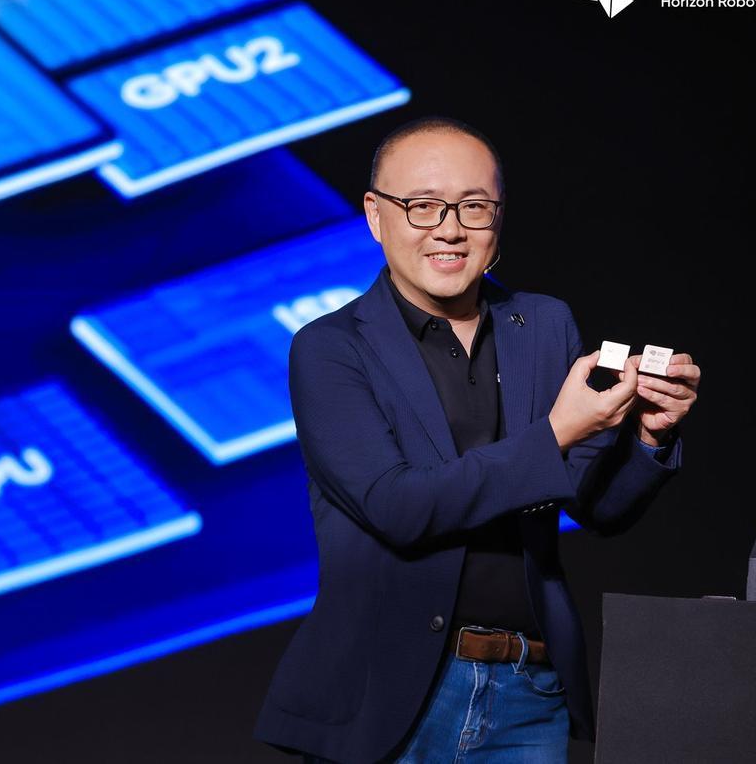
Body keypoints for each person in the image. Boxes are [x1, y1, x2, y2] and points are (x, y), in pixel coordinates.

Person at [252, 115, 700, 763]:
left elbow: (594, 503)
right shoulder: (329, 348)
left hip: (528, 691)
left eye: (474, 206)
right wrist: (558, 432)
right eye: (422, 205)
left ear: (499, 216)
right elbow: (398, 507)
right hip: (388, 694)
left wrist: (650, 437)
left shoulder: (544, 323)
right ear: (376, 216)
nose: (450, 228)